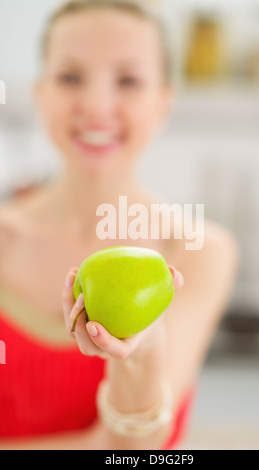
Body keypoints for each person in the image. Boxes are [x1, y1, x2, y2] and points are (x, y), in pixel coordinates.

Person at [0, 0, 239, 450]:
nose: (96, 105)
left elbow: (135, 449)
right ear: (40, 92)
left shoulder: (200, 249)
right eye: (70, 77)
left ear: (164, 100)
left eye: (128, 80)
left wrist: (142, 355)